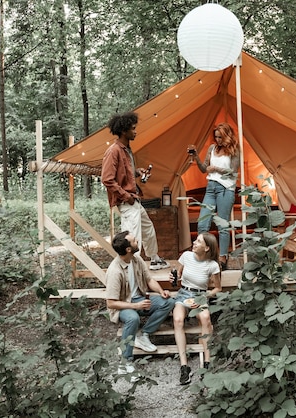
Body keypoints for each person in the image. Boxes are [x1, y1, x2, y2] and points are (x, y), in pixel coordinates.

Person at [101, 111, 169, 270]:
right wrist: (126, 196)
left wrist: (137, 172)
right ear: (124, 131)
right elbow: (107, 179)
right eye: (132, 128)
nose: (135, 131)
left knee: (148, 230)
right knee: (132, 237)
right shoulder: (114, 151)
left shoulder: (126, 150)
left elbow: (124, 174)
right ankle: (133, 271)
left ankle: (154, 259)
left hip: (134, 199)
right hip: (127, 201)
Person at [106, 231, 175, 360]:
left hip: (139, 299)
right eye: (134, 241)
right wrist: (136, 306)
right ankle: (126, 361)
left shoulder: (136, 259)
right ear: (128, 249)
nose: (137, 240)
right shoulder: (115, 271)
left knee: (169, 302)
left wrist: (161, 291)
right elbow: (111, 303)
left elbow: (149, 280)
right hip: (123, 305)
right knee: (133, 318)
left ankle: (144, 334)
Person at [171, 232, 222, 385]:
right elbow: (178, 276)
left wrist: (202, 298)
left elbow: (218, 288)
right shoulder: (186, 256)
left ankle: (207, 364)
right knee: (178, 319)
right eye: (195, 240)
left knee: (206, 318)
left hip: (200, 295)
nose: (194, 242)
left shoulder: (212, 265)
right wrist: (173, 278)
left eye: (198, 241)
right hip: (183, 294)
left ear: (207, 248)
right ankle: (184, 366)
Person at [191, 122, 240, 270]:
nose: (218, 140)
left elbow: (233, 171)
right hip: (211, 187)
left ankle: (223, 256)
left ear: (227, 136)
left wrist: (216, 169)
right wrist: (196, 156)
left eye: (220, 137)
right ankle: (205, 255)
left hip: (226, 188)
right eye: (216, 137)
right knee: (202, 224)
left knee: (222, 225)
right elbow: (204, 168)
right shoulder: (212, 148)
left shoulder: (234, 150)